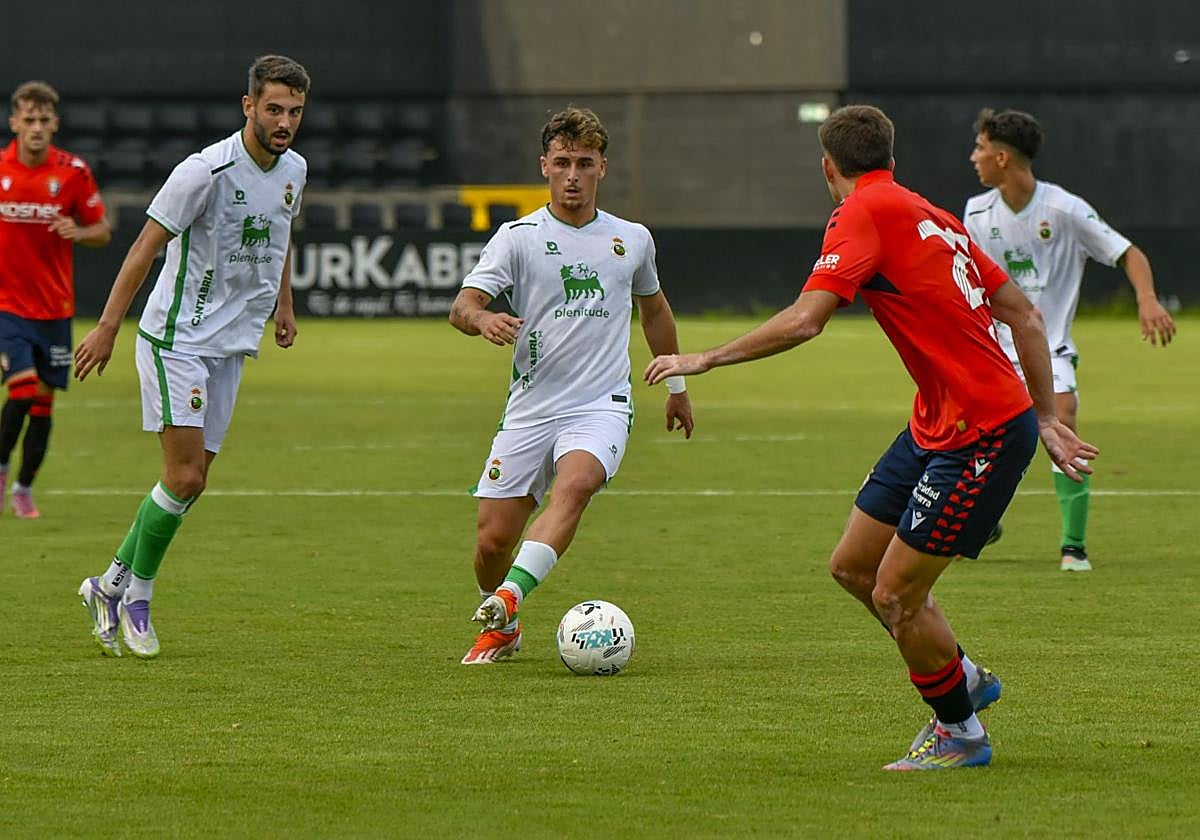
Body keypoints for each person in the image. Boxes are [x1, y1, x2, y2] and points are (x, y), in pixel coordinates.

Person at [645, 105, 1099, 770]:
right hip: (937, 423)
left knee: (894, 593)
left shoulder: (861, 214)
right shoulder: (931, 213)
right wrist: (1049, 415)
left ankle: (961, 732)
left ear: (828, 167)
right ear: (889, 158)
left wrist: (703, 359)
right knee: (854, 568)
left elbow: (806, 321)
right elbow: (1027, 316)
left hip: (982, 434)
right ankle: (963, 676)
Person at [72, 55, 309, 658]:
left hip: (230, 347)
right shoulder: (203, 172)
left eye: (295, 112)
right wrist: (106, 328)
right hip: (176, 339)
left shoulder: (295, 171)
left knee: (190, 483)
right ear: (248, 105)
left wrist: (284, 305)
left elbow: (280, 235)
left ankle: (108, 586)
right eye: (274, 108)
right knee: (184, 475)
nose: (284, 122)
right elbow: (143, 250)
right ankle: (138, 598)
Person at [449, 106, 694, 665]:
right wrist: (483, 319)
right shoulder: (518, 238)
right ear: (545, 166)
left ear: (602, 167)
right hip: (531, 407)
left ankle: (511, 596)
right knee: (491, 542)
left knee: (576, 484)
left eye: (585, 162)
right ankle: (502, 617)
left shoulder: (631, 240)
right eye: (562, 162)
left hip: (600, 403)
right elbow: (463, 305)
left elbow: (654, 311)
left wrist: (676, 384)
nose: (573, 175)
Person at [965, 108, 1176, 572]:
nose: (973, 157)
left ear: (1002, 157)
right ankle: (983, 517)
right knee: (976, 437)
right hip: (995, 347)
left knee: (1063, 414)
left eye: (980, 148)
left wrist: (1147, 299)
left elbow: (1128, 253)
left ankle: (1073, 546)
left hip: (1050, 345)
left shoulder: (1064, 209)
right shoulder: (976, 212)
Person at [0, 81, 110, 518]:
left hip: (54, 310)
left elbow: (102, 231)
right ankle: (1, 465)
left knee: (43, 404)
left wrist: (78, 231)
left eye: (44, 120)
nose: (37, 128)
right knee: (23, 388)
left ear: (55, 124)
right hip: (8, 306)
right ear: (14, 123)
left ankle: (24, 487)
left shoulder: (73, 173)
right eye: (29, 120)